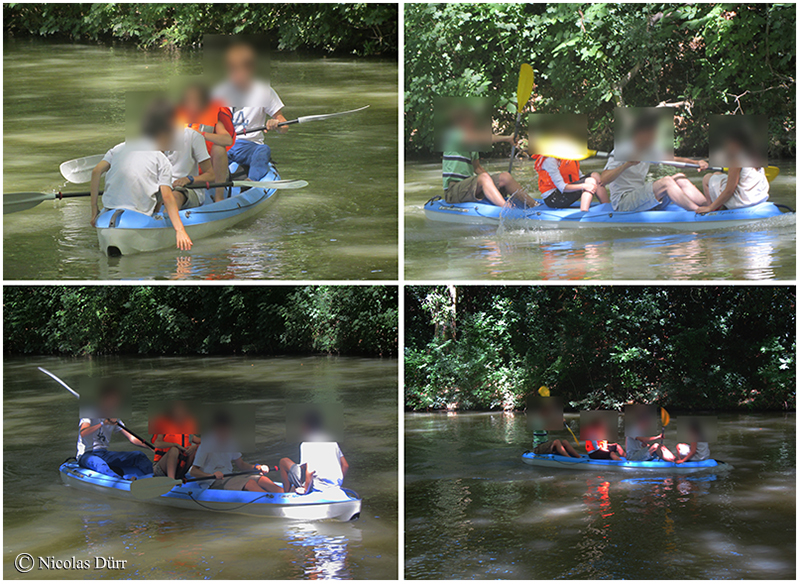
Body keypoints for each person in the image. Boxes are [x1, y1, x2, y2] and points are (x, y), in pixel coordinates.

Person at [90, 98, 193, 251]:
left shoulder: (118, 148)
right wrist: (180, 230)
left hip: (107, 214)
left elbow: (96, 171)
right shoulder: (161, 159)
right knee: (159, 187)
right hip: (136, 215)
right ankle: (155, 216)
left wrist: (94, 211)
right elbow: (167, 196)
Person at [600, 112, 709, 213]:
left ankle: (710, 206)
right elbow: (603, 180)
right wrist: (627, 164)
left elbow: (673, 160)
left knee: (680, 178)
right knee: (666, 182)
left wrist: (696, 163)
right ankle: (698, 211)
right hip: (623, 202)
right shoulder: (621, 150)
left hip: (642, 198)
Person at [213, 40, 287, 182]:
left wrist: (277, 123)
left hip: (250, 146)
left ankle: (252, 181)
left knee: (264, 150)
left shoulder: (264, 91)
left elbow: (284, 126)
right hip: (224, 144)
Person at [442, 104, 539, 208]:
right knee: (483, 178)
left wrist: (494, 184)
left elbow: (477, 168)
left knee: (505, 177)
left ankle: (534, 205)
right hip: (453, 191)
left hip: (469, 187)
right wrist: (507, 139)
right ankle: (507, 210)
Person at [188, 412, 281, 493]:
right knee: (250, 483)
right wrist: (211, 475)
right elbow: (193, 471)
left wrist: (258, 467)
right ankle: (272, 503)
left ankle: (285, 495)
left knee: (263, 479)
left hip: (228, 476)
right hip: (211, 481)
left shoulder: (231, 441)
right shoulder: (206, 444)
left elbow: (241, 465)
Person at [76, 383, 152, 480]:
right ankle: (121, 481)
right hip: (87, 454)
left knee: (138, 455)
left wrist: (150, 447)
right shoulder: (89, 415)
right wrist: (103, 424)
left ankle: (157, 478)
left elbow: (132, 438)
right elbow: (83, 432)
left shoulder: (114, 418)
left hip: (104, 453)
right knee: (99, 463)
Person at [176, 82, 234, 202]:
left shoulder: (214, 119)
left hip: (208, 168)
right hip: (185, 167)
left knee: (219, 148)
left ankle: (219, 196)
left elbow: (227, 140)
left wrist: (202, 135)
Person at [698, 128, 769, 213]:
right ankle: (720, 206)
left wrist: (710, 208)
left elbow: (729, 191)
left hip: (743, 202)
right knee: (717, 174)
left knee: (707, 178)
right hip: (759, 198)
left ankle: (711, 209)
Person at [279, 410, 349, 494]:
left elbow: (310, 470)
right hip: (335, 485)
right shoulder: (332, 442)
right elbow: (345, 465)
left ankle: (286, 494)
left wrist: (305, 490)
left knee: (284, 461)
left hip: (318, 486)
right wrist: (337, 484)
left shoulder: (306, 444)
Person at [534, 155, 609, 211]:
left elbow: (580, 177)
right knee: (590, 181)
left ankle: (607, 207)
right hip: (553, 198)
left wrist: (586, 183)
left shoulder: (568, 157)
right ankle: (584, 214)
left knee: (594, 176)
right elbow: (562, 187)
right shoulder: (549, 160)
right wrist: (584, 186)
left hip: (564, 191)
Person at [150, 401, 200, 480]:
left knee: (195, 450)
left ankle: (180, 476)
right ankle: (171, 480)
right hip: (161, 469)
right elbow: (157, 444)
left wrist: (195, 447)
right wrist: (174, 444)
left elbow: (205, 442)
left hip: (180, 470)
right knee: (174, 450)